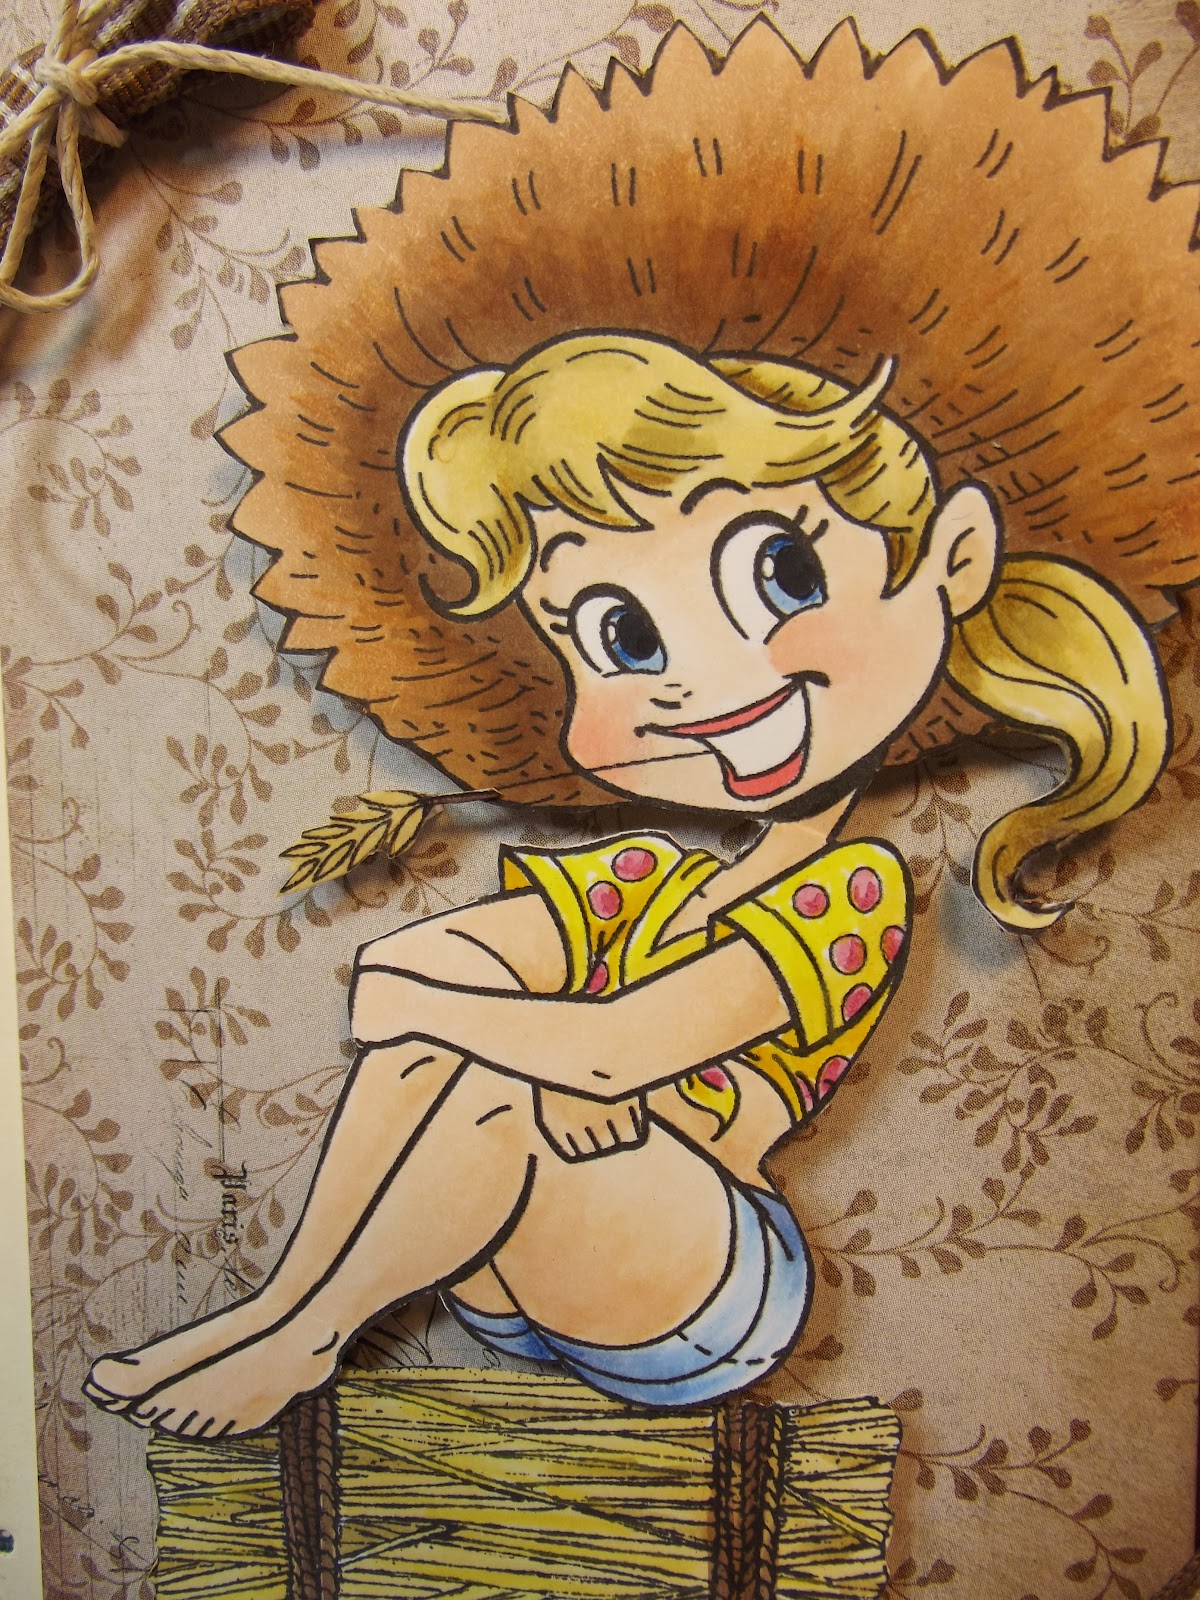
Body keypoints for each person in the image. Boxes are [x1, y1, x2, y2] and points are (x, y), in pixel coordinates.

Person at [83, 331, 1168, 1439]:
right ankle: (283, 1312)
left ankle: (304, 1337)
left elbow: (605, 1050)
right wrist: (514, 1034)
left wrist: (528, 1043)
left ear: (953, 557)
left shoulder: (849, 889)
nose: (705, 676)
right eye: (623, 636)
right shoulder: (645, 878)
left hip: (705, 1286)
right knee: (460, 1066)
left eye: (781, 574)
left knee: (490, 1085)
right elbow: (411, 968)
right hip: (503, 1253)